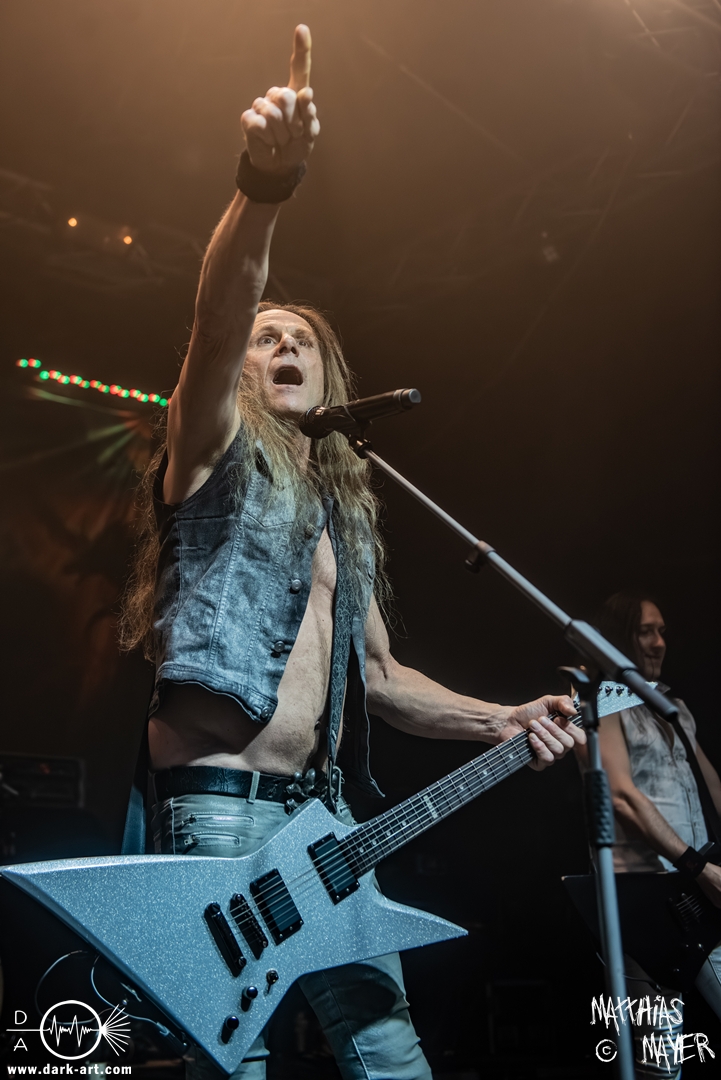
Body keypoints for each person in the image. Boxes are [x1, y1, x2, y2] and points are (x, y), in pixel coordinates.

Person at [119, 25, 585, 1080]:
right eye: (267, 337)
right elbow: (218, 310)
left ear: (332, 380)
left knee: (388, 1054)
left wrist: (503, 718)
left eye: (302, 339)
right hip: (219, 809)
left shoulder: (343, 517)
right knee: (229, 1065)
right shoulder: (210, 452)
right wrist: (264, 186)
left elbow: (380, 679)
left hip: (323, 827)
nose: (281, 343)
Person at [591, 591, 721, 1077]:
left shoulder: (674, 706)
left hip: (699, 892)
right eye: (646, 631)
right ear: (618, 636)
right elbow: (620, 797)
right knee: (658, 1064)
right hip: (642, 905)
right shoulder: (599, 702)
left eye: (662, 631)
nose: (659, 642)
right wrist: (697, 866)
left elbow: (712, 788)